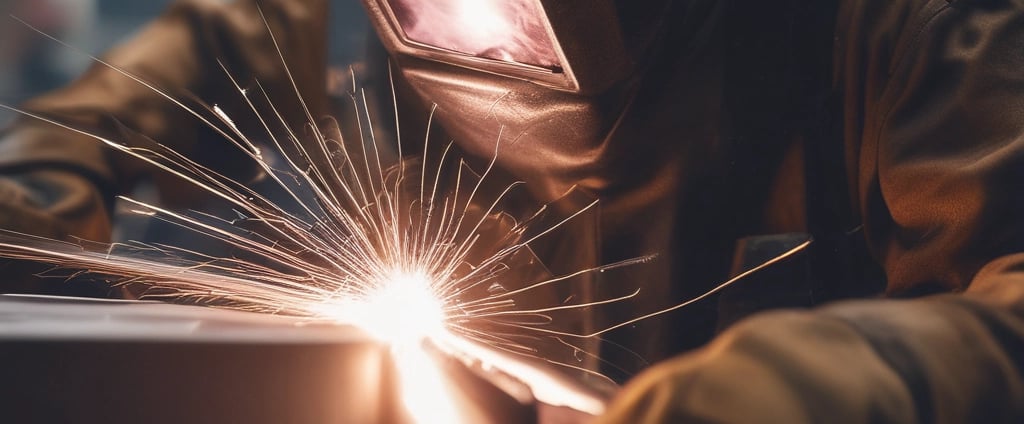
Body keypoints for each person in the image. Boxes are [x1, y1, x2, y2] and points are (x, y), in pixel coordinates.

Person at [1, 0, 1023, 421]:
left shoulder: (914, 33)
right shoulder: (376, 23)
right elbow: (236, 40)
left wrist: (847, 382)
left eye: (516, 20)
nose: (476, 42)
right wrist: (47, 168)